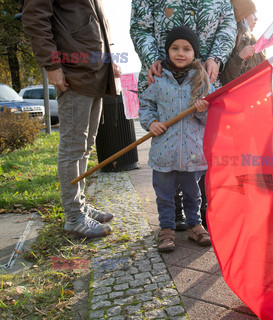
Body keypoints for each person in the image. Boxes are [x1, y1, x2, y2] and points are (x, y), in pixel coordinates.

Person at [130, 0, 237, 231]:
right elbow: (140, 26)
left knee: (201, 152)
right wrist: (153, 60)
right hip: (161, 76)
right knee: (167, 170)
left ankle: (199, 217)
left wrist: (216, 57)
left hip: (203, 79)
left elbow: (227, 26)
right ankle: (171, 220)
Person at [22, 0, 121, 238]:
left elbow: (92, 22)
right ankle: (74, 217)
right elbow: (35, 17)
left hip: (95, 72)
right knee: (73, 147)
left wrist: (109, 60)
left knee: (85, 146)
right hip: (73, 73)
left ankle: (80, 205)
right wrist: (51, 64)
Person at [138, 26, 213, 253]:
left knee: (193, 193)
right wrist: (151, 123)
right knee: (165, 195)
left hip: (192, 151)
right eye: (175, 48)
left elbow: (212, 116)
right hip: (164, 151)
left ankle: (194, 225)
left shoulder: (202, 82)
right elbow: (146, 104)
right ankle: (167, 229)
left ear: (194, 53)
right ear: (167, 51)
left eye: (187, 49)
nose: (180, 53)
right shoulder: (159, 80)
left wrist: (202, 110)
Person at [220, 0, 266, 85]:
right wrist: (239, 58)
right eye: (252, 13)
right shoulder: (230, 42)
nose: (256, 18)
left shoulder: (254, 42)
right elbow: (227, 81)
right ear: (243, 17)